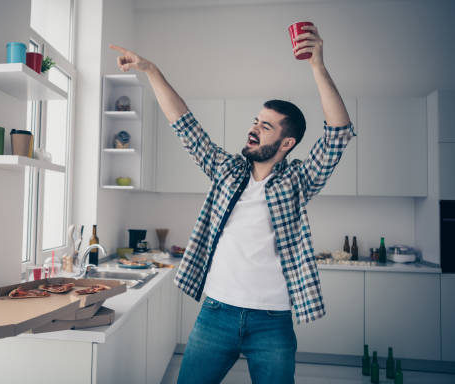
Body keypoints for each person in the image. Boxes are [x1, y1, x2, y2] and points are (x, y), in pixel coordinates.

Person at [110, 24, 355, 384]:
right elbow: (184, 124)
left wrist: (317, 65)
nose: (254, 129)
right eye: (256, 121)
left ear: (287, 143)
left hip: (272, 322)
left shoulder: (297, 182)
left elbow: (338, 133)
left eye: (267, 127)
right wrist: (151, 71)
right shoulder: (226, 171)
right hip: (216, 313)